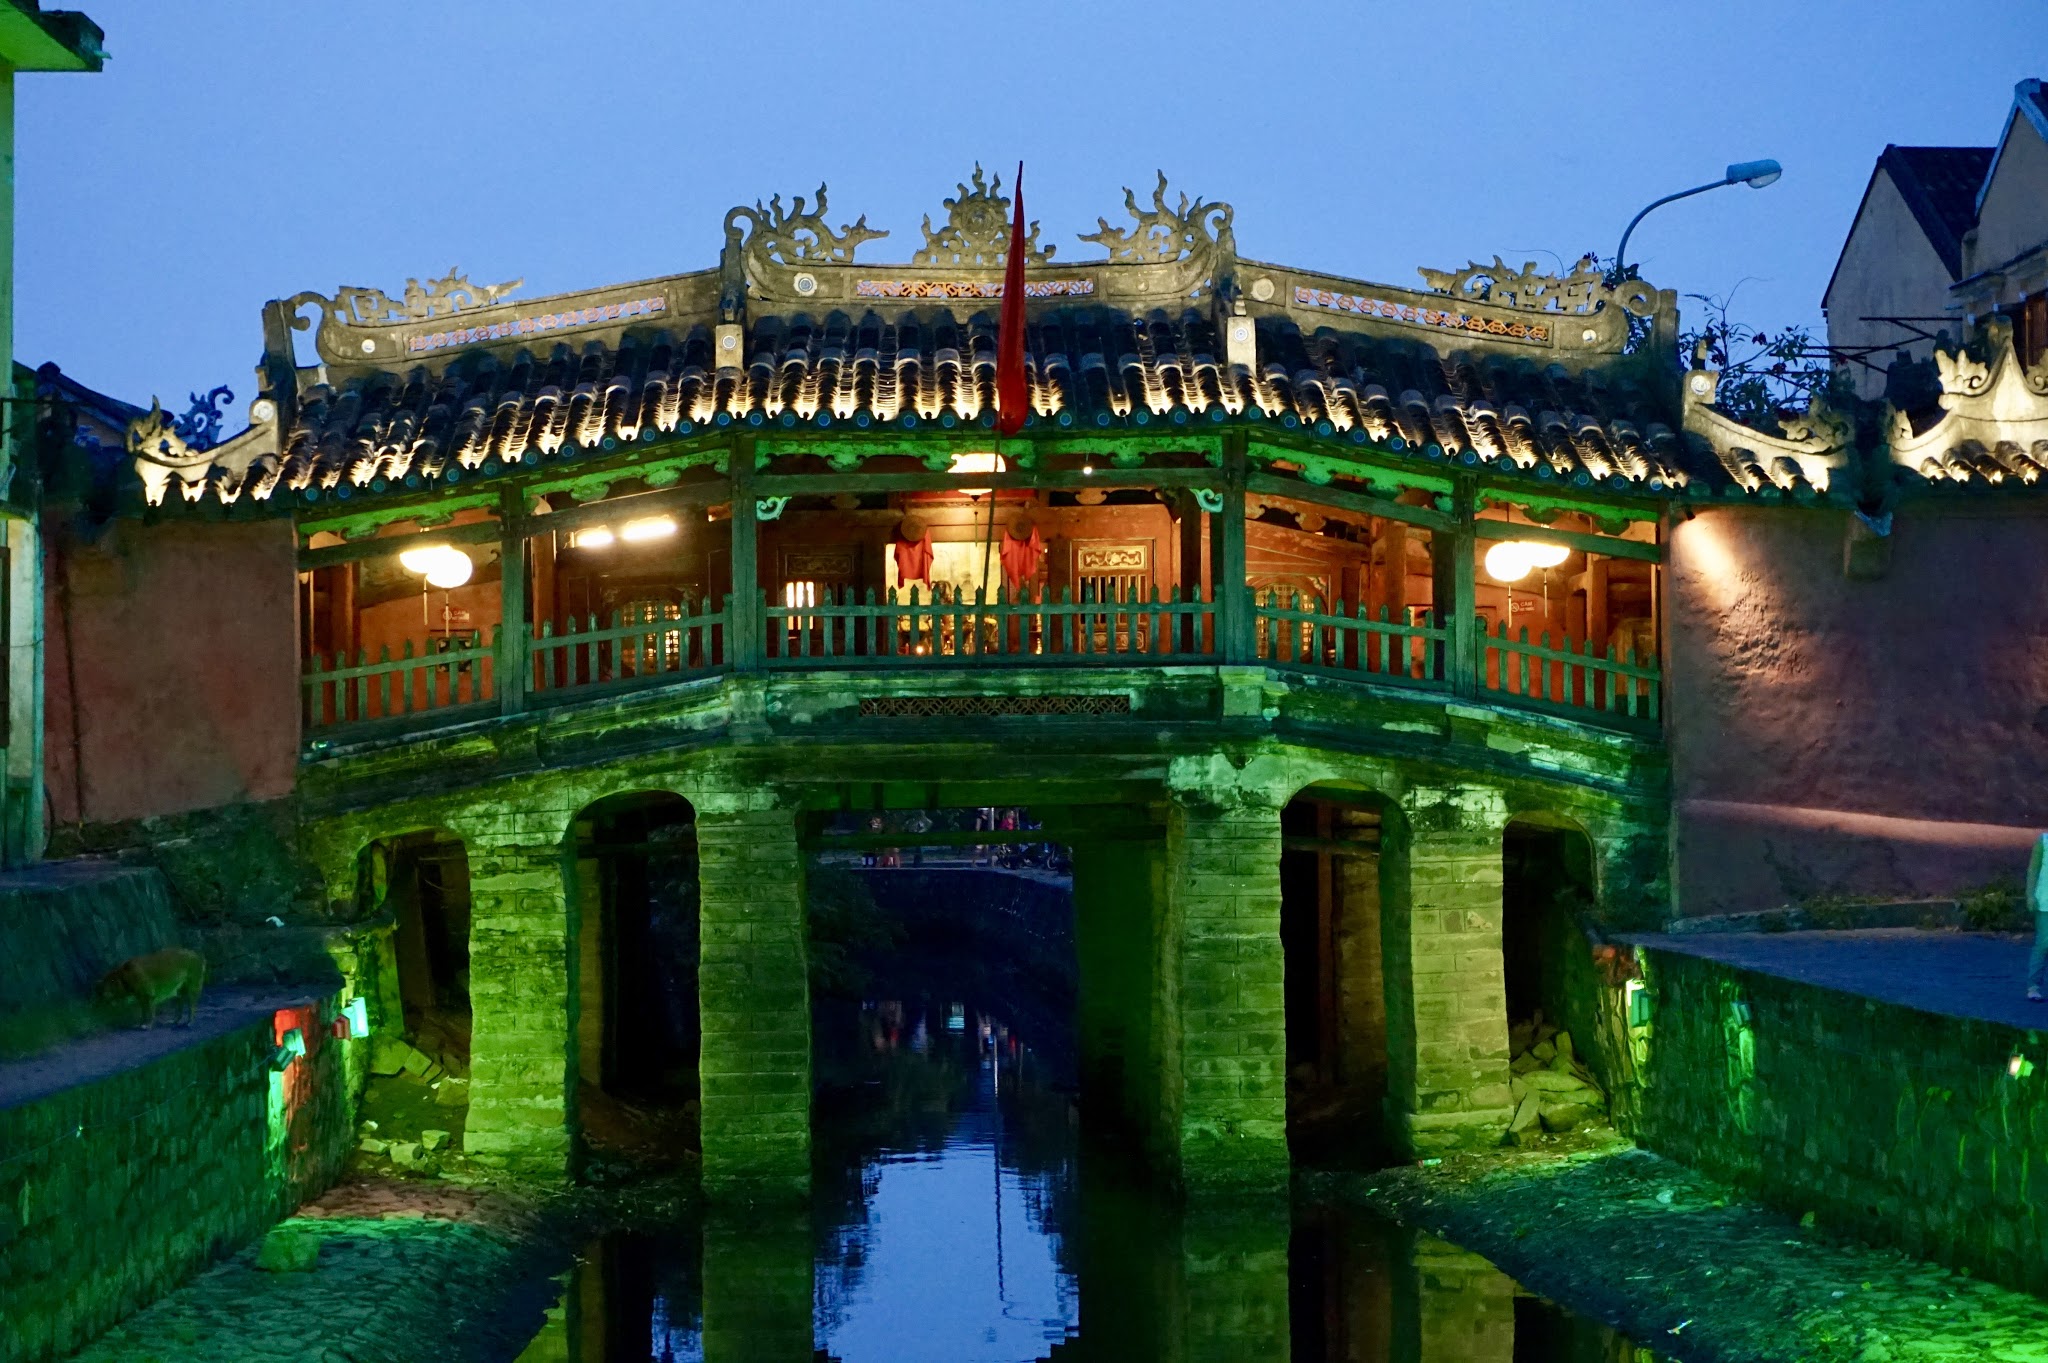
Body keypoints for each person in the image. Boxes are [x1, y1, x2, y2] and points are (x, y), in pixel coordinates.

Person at [2028, 831, 2048, 1002]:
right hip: (2045, 902)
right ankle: (2033, 985)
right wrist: (2030, 895)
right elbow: (2033, 870)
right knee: (2043, 943)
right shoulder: (2043, 841)